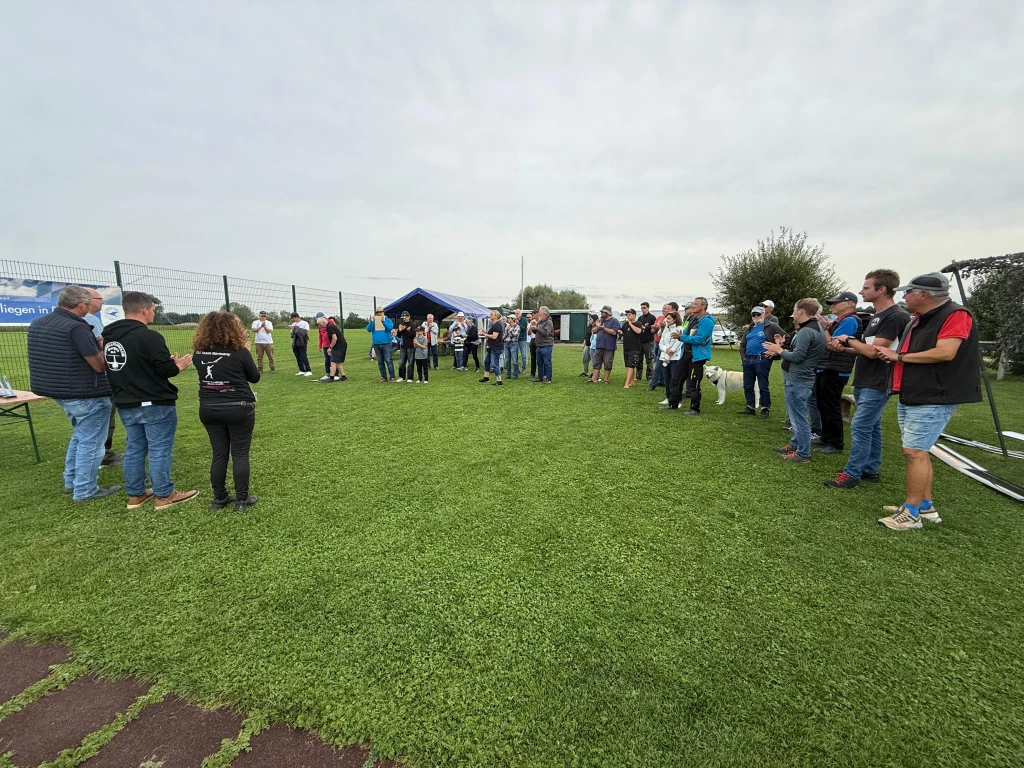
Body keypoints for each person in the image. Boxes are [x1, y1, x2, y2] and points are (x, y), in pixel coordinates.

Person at [873, 273, 981, 531]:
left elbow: (946, 352)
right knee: (919, 451)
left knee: (914, 452)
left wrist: (899, 357)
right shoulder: (919, 319)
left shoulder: (956, 314)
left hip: (935, 395)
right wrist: (899, 359)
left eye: (908, 292)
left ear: (923, 294)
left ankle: (910, 513)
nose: (903, 296)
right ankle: (925, 506)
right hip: (914, 392)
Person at [102, 291, 197, 509]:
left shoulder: (109, 338)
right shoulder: (149, 337)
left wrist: (166, 363)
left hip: (126, 402)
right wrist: (178, 365)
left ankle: (135, 495)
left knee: (134, 448)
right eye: (153, 309)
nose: (154, 313)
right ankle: (164, 495)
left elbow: (132, 365)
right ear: (144, 310)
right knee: (159, 449)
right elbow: (164, 370)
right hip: (154, 402)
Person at [27, 285, 120, 503]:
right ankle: (86, 489)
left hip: (57, 390)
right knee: (92, 442)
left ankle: (71, 480)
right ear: (81, 305)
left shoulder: (39, 323)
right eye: (88, 304)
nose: (90, 308)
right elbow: (98, 365)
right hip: (84, 392)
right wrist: (101, 348)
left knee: (80, 436)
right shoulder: (77, 327)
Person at [825, 269, 910, 489]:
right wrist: (846, 349)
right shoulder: (876, 317)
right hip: (865, 378)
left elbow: (875, 352)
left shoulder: (895, 316)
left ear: (881, 289)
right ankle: (871, 469)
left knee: (861, 425)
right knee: (871, 426)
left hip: (879, 380)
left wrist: (848, 339)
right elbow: (867, 349)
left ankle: (852, 473)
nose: (861, 292)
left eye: (866, 287)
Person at [192, 311, 260, 513]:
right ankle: (241, 499)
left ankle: (219, 498)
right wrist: (246, 352)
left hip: (209, 408)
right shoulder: (239, 352)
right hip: (238, 407)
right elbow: (254, 377)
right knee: (240, 453)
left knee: (219, 454)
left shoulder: (199, 352)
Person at [762, 299, 827, 464]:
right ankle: (795, 445)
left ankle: (803, 454)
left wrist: (779, 350)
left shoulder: (807, 331)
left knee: (798, 417)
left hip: (798, 379)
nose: (793, 313)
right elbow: (801, 351)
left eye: (794, 309)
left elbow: (797, 357)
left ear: (802, 311)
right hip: (799, 378)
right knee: (797, 415)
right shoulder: (814, 327)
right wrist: (782, 346)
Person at [813, 291, 862, 454]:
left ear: (850, 304)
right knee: (822, 403)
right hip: (827, 366)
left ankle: (835, 443)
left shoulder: (850, 320)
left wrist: (825, 329)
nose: (832, 305)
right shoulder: (840, 322)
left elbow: (832, 344)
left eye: (836, 302)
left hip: (835, 369)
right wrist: (828, 327)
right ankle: (826, 437)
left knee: (831, 405)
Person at [82, 287, 121, 467]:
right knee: (105, 415)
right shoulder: (90, 320)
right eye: (100, 298)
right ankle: (104, 454)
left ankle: (97, 454)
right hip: (99, 379)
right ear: (88, 300)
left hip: (80, 382)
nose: (102, 302)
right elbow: (102, 347)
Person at [738, 306, 784, 419]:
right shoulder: (750, 328)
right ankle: (750, 407)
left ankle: (765, 408)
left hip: (762, 359)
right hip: (748, 359)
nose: (756, 317)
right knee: (748, 385)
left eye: (758, 314)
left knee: (763, 385)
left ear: (764, 314)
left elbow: (784, 337)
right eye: (753, 315)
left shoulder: (770, 326)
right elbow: (743, 344)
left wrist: (776, 350)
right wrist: (744, 357)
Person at [674, 297, 715, 415]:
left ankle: (694, 408)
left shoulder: (707, 321)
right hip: (686, 353)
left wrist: (681, 337)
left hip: (697, 356)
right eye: (693, 304)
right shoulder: (692, 318)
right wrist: (682, 335)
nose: (693, 306)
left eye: (695, 304)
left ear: (703, 306)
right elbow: (685, 332)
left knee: (694, 382)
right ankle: (674, 403)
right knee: (677, 379)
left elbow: (699, 339)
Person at [648, 302, 678, 391]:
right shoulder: (662, 319)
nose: (664, 310)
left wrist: (670, 349)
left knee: (666, 367)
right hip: (661, 346)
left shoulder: (677, 325)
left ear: (674, 311)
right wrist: (661, 328)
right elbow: (659, 333)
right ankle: (655, 383)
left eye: (667, 309)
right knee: (658, 364)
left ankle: (670, 386)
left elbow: (677, 339)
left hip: (671, 349)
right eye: (664, 308)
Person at [588, 305, 620, 384]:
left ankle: (606, 380)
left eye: (602, 312)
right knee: (596, 362)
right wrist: (598, 327)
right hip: (599, 346)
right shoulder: (601, 320)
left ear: (607, 312)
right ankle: (594, 378)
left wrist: (603, 328)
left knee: (607, 363)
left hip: (609, 346)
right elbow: (594, 331)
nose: (601, 313)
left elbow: (614, 332)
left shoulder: (614, 321)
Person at [657, 309, 684, 395]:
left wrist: (671, 351)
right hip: (664, 357)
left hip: (675, 358)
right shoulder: (665, 329)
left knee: (675, 379)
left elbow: (679, 342)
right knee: (666, 378)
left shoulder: (679, 329)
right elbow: (661, 343)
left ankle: (676, 398)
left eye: (668, 318)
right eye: (666, 318)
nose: (666, 320)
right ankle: (668, 397)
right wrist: (666, 350)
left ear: (674, 319)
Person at [367, 306, 396, 382]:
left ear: (383, 312)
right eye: (377, 312)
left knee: (388, 360)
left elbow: (389, 328)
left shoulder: (388, 320)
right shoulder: (374, 321)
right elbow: (369, 329)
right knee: (380, 362)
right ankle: (383, 377)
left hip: (386, 343)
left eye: (380, 312)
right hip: (376, 344)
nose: (379, 314)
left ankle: (392, 377)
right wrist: (371, 322)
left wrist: (383, 321)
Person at [480, 309, 505, 385]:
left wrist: (486, 335)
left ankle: (499, 381)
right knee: (486, 362)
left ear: (496, 316)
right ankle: (486, 377)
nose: (490, 315)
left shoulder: (497, 325)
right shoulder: (493, 324)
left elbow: (494, 336)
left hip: (496, 347)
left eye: (492, 314)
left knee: (495, 364)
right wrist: (486, 333)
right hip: (492, 347)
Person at [621, 308, 644, 388]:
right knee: (630, 365)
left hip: (635, 349)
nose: (628, 316)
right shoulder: (625, 324)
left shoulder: (638, 323)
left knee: (631, 366)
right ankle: (632, 381)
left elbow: (638, 331)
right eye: (627, 315)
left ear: (634, 315)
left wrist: (631, 324)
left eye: (629, 314)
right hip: (626, 348)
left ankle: (626, 384)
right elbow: (622, 332)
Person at [320, 315, 347, 382]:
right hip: (340, 345)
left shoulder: (329, 327)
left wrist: (330, 347)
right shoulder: (330, 326)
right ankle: (343, 376)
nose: (320, 326)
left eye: (320, 324)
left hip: (339, 346)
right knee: (337, 362)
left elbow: (334, 338)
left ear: (323, 323)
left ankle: (331, 378)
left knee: (333, 361)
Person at [532, 306, 555, 383]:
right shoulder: (540, 321)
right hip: (539, 345)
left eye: (540, 312)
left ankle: (548, 378)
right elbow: (536, 332)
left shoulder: (549, 322)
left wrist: (537, 328)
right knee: (539, 362)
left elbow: (545, 333)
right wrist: (534, 328)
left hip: (546, 345)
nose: (539, 313)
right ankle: (540, 377)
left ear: (544, 313)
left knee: (547, 362)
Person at [395, 311, 417, 382]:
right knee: (401, 362)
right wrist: (399, 330)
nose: (404, 319)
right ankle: (401, 376)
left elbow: (413, 335)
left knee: (410, 362)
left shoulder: (412, 325)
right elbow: (398, 335)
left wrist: (405, 330)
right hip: (403, 346)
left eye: (405, 317)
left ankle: (410, 377)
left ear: (409, 317)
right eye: (403, 317)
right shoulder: (401, 324)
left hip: (410, 346)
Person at [637, 302, 657, 381]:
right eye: (641, 308)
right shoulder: (640, 318)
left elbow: (653, 329)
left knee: (649, 360)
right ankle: (638, 376)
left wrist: (645, 328)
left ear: (648, 308)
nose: (642, 309)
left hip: (648, 342)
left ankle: (649, 376)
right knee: (639, 360)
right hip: (640, 341)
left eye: (644, 308)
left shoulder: (652, 318)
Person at [503, 311, 522, 379]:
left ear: (513, 319)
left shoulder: (517, 327)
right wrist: (502, 340)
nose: (508, 319)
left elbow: (515, 336)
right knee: (507, 360)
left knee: (514, 360)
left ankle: (515, 374)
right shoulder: (507, 326)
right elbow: (505, 335)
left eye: (509, 318)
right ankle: (508, 374)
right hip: (506, 343)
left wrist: (510, 330)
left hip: (513, 344)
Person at [516, 309, 530, 378]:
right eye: (515, 313)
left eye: (517, 313)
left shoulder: (524, 320)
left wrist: (518, 323)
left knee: (524, 355)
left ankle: (523, 368)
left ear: (520, 314)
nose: (516, 314)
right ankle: (517, 369)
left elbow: (524, 329)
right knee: (515, 355)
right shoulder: (513, 319)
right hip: (515, 340)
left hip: (522, 339)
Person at [527, 311, 538, 378]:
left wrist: (536, 327)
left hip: (539, 340)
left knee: (540, 358)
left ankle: (541, 373)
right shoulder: (531, 322)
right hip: (532, 339)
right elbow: (528, 333)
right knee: (533, 358)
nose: (533, 315)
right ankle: (532, 373)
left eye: (534, 314)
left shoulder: (541, 321)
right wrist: (531, 328)